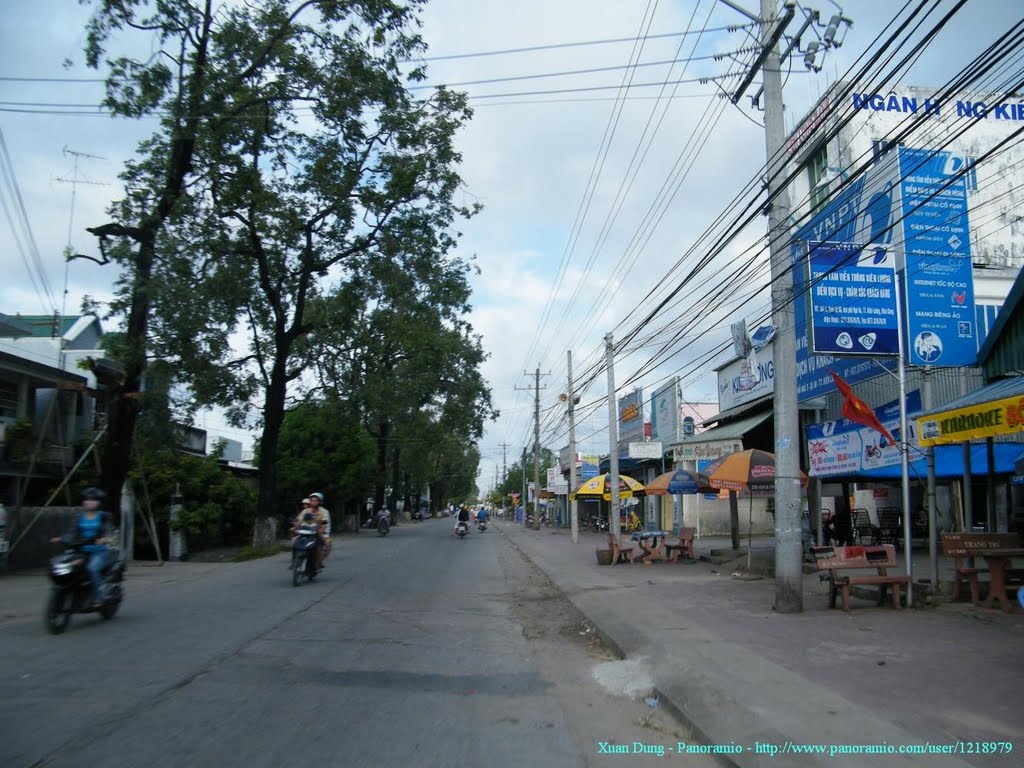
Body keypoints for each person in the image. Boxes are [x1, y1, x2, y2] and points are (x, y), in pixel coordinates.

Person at [53, 487, 114, 608]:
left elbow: (109, 530)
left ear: (99, 502)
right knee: (63, 566)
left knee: (92, 569)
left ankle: (99, 596)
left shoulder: (104, 516)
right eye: (87, 499)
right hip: (81, 551)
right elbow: (72, 532)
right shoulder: (79, 516)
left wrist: (104, 538)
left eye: (93, 499)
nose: (89, 501)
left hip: (99, 552)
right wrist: (60, 538)